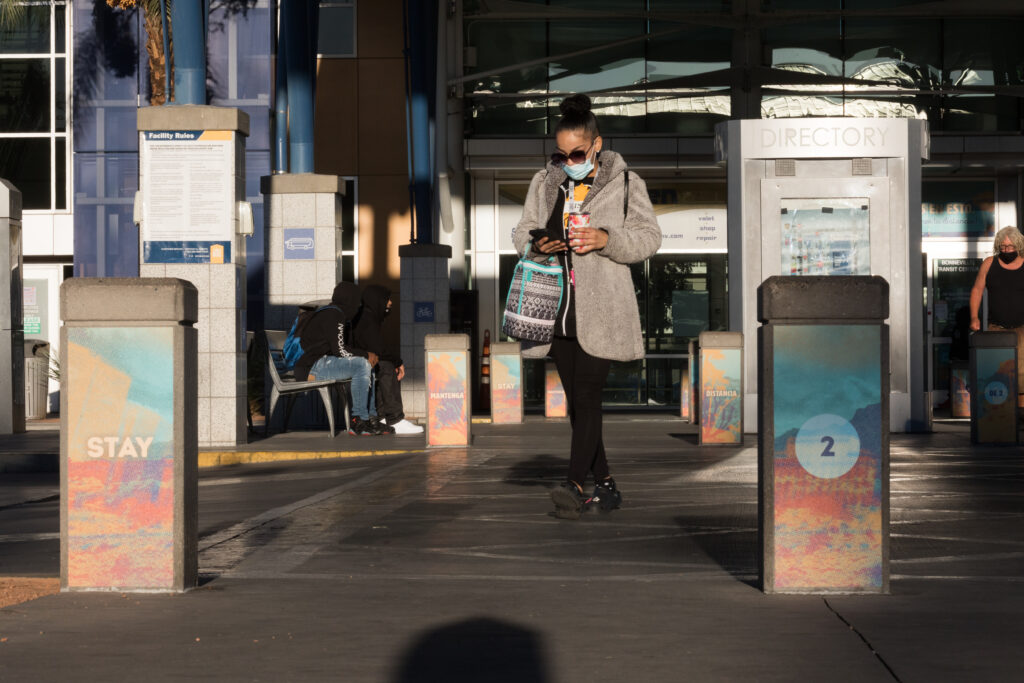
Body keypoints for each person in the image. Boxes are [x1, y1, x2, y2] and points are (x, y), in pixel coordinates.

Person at [512, 93, 662, 520]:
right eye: (560, 153)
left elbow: (649, 238)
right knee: (578, 405)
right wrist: (536, 242)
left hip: (602, 309)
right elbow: (521, 230)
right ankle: (608, 485)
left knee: (587, 395)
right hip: (554, 307)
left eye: (577, 152)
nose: (568, 160)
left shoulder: (626, 182)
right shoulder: (545, 181)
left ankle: (575, 484)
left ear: (597, 144)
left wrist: (606, 240)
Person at [292, 281, 388, 436]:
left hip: (320, 363)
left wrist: (366, 356)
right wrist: (365, 354)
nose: (358, 307)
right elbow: (340, 350)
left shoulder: (334, 313)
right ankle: (358, 420)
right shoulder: (334, 314)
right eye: (357, 303)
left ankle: (371, 418)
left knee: (366, 364)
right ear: (350, 300)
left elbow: (339, 349)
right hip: (310, 367)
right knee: (362, 364)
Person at [352, 284, 424, 435]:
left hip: (362, 363)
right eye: (387, 299)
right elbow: (379, 350)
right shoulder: (367, 319)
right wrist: (398, 362)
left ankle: (383, 416)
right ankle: (395, 418)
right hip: (358, 365)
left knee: (382, 365)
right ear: (377, 300)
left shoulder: (367, 317)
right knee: (386, 367)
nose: (390, 303)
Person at [969, 225, 1024, 409]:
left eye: (1010, 247)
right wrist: (974, 317)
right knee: (998, 372)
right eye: (1003, 247)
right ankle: (1001, 410)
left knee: (1022, 375)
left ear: (1018, 245)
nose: (1007, 250)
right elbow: (977, 290)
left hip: (1022, 329)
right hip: (996, 329)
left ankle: (1021, 413)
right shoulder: (989, 263)